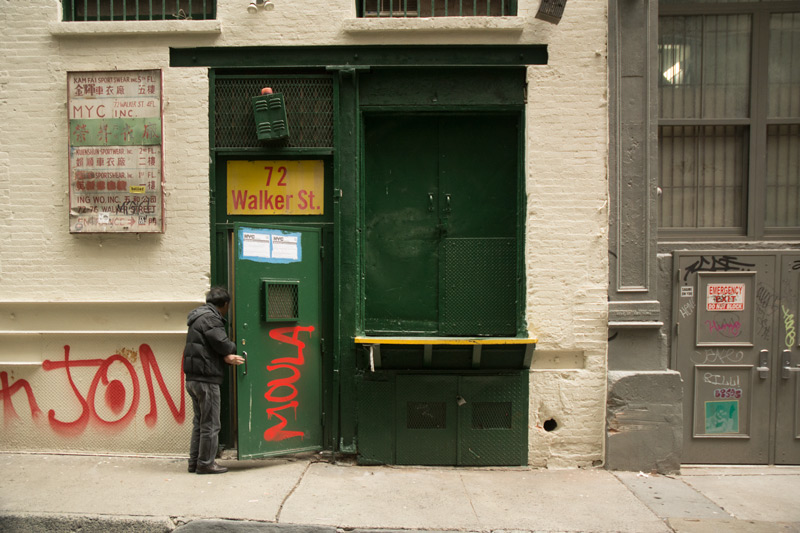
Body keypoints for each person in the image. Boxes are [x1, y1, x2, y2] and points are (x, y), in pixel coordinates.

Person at [183, 287, 244, 474]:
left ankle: (195, 462)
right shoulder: (211, 318)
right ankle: (206, 464)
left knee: (200, 422)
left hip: (193, 378)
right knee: (210, 424)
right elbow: (222, 343)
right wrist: (234, 348)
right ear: (225, 304)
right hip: (206, 379)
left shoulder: (198, 316)